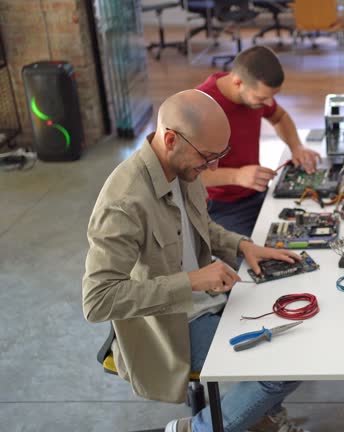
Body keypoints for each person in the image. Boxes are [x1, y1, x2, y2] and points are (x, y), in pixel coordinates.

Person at [82, 90, 307, 432]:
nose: (213, 168)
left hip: (208, 298)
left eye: (220, 155)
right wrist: (192, 281)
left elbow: (200, 226)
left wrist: (242, 245)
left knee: (300, 335)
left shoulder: (182, 168)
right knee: (281, 371)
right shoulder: (124, 202)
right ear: (170, 139)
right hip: (171, 327)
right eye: (207, 158)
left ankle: (253, 414)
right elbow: (97, 301)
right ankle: (198, 429)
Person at [196, 46, 321, 237]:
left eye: (273, 97)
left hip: (255, 192)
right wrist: (236, 176)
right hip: (219, 206)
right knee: (261, 257)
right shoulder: (201, 107)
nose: (269, 104)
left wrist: (296, 146)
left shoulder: (253, 94)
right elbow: (186, 174)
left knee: (309, 228)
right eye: (263, 98)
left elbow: (279, 117)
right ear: (238, 82)